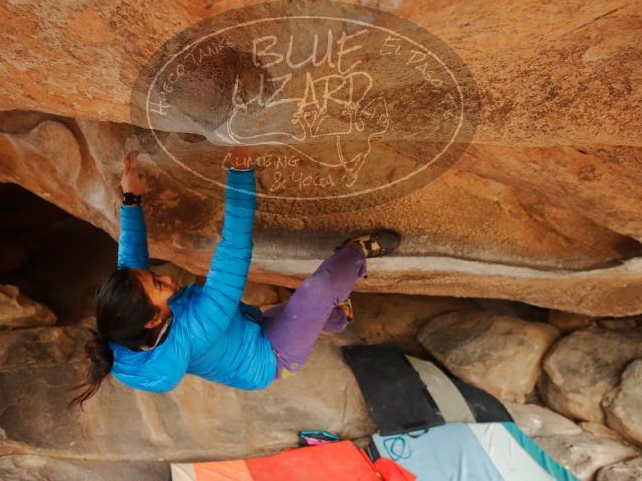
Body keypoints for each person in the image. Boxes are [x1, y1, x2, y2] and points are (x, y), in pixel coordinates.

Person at [71, 148, 400, 405]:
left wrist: (131, 197)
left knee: (311, 314)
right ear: (152, 319)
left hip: (247, 325)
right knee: (320, 289)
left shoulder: (124, 325)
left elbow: (132, 264)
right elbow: (234, 250)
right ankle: (355, 253)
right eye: (160, 285)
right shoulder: (196, 329)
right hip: (271, 356)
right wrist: (241, 172)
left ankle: (340, 317)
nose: (170, 280)